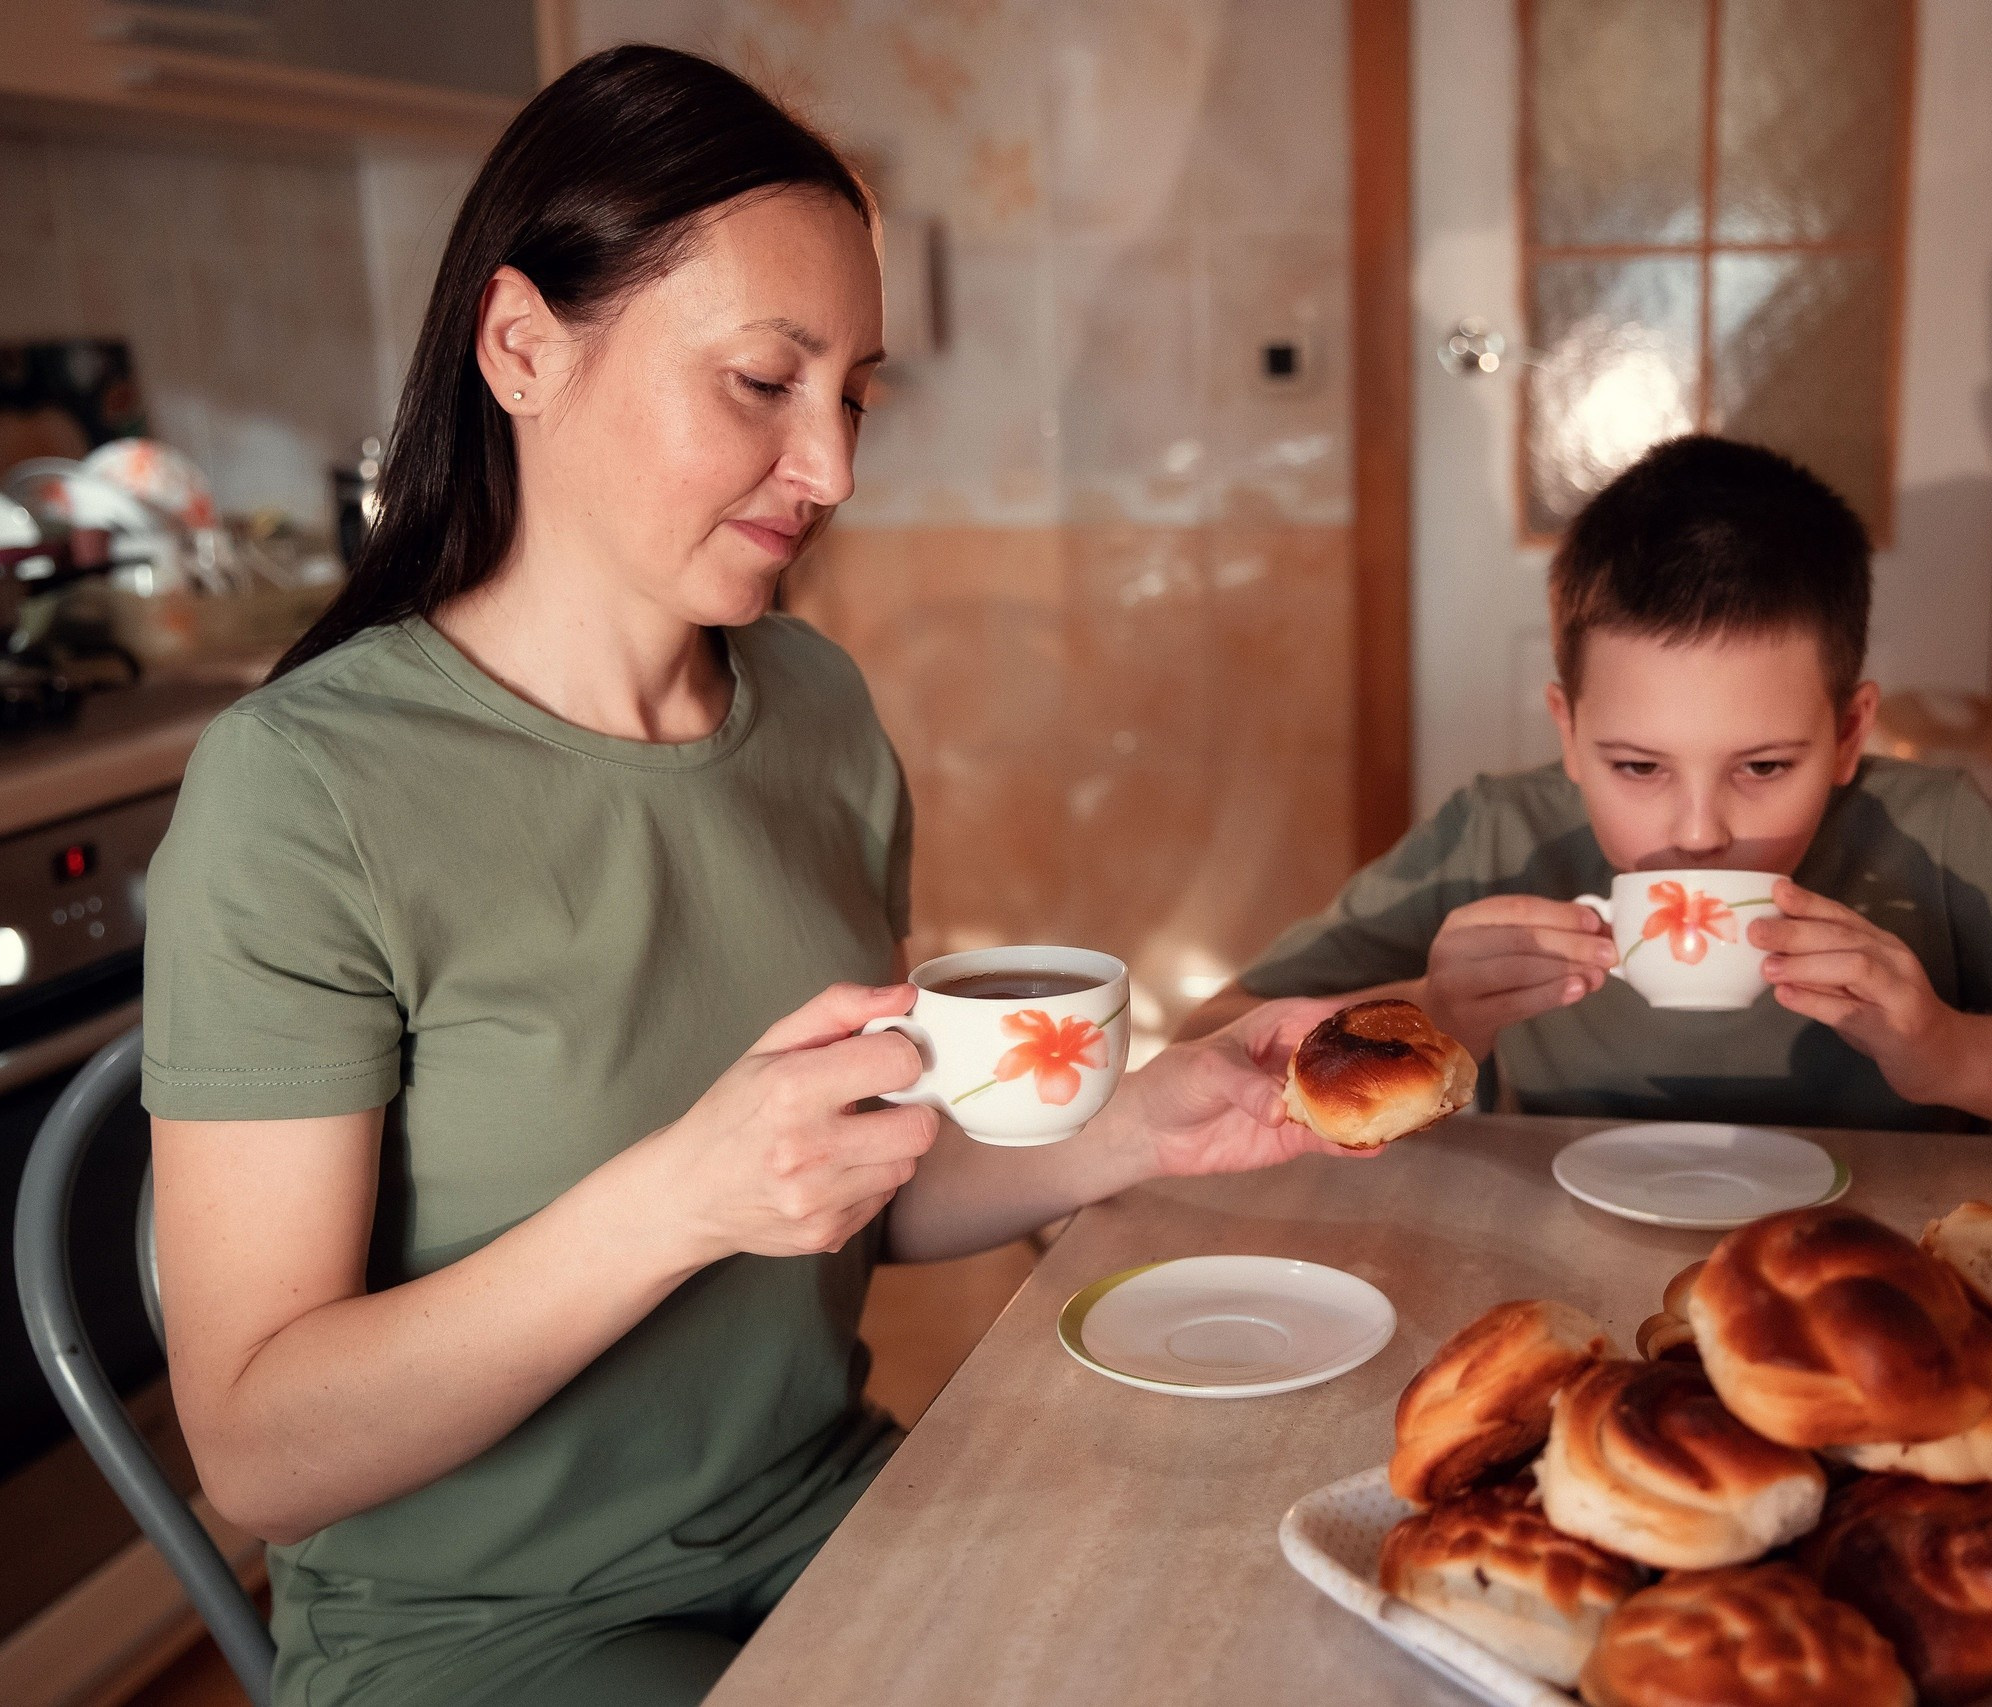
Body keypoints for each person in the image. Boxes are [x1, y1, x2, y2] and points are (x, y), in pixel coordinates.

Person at [143, 47, 1346, 1707]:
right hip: (484, 1632)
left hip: (827, 1516)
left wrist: (1143, 1123)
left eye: (853, 397)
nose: (832, 468)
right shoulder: (301, 791)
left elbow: (857, 1176)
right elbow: (258, 1452)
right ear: (522, 347)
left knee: (1261, 1627)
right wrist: (677, 1198)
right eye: (764, 380)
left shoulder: (816, 708)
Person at [1183, 436, 1992, 1157]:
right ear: (1565, 732)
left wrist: (1954, 1054)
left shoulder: (1935, 836)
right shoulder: (1498, 835)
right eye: (1637, 767)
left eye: (1764, 767)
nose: (1698, 832)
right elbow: (1202, 1049)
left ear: (1851, 733)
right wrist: (1435, 1010)